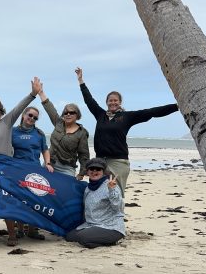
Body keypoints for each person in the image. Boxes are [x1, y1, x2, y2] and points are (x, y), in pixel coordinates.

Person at [76, 67, 179, 196]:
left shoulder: (127, 117)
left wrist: (177, 106)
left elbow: (152, 112)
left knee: (115, 193)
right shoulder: (100, 115)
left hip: (118, 162)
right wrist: (81, 81)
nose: (113, 102)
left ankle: (118, 216)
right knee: (97, 193)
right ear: (107, 102)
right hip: (100, 161)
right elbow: (89, 100)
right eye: (110, 100)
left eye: (115, 100)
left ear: (120, 102)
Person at [0, 77, 41, 246]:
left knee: (6, 201)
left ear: (1, 112)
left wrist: (33, 93)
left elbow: (20, 108)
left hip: (4, 167)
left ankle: (12, 234)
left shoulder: (6, 123)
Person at [11, 106, 54, 241]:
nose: (32, 119)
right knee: (19, 200)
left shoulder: (39, 134)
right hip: (17, 170)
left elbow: (45, 150)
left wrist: (47, 163)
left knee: (33, 201)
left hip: (34, 171)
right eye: (30, 115)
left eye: (35, 117)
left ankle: (31, 230)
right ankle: (19, 229)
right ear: (23, 115)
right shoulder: (12, 132)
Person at [65, 158, 125, 248]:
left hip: (111, 227)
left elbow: (118, 209)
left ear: (103, 172)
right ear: (87, 172)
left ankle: (110, 242)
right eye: (91, 169)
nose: (94, 171)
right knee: (69, 236)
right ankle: (97, 237)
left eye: (98, 169)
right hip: (92, 225)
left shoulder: (111, 185)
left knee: (83, 238)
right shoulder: (88, 188)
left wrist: (112, 190)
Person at [38, 89, 89, 179]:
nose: (68, 114)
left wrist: (82, 173)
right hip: (49, 163)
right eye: (66, 112)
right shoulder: (59, 123)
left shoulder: (82, 133)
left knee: (65, 191)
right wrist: (41, 93)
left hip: (67, 168)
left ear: (77, 115)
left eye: (72, 112)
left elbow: (83, 154)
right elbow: (50, 109)